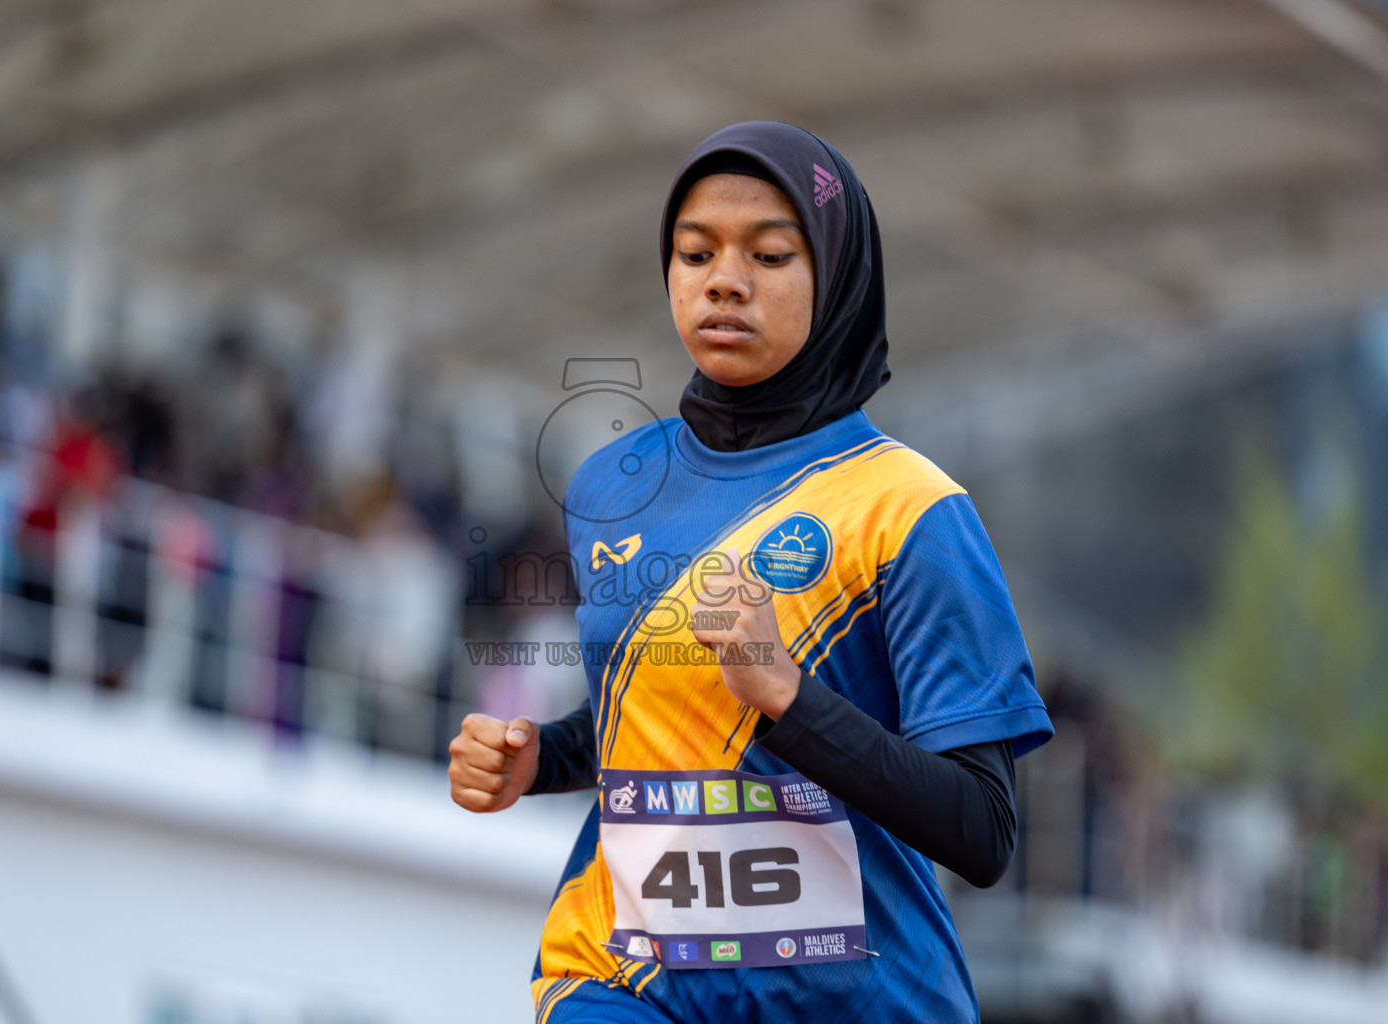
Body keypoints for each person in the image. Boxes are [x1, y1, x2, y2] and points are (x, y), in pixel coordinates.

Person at [447, 121, 1054, 1024]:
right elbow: (648, 720)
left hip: (858, 1003)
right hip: (622, 979)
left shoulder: (910, 510)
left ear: (838, 277)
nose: (724, 279)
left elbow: (983, 830)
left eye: (769, 254)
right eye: (695, 253)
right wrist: (539, 760)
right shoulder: (611, 483)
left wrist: (790, 698)